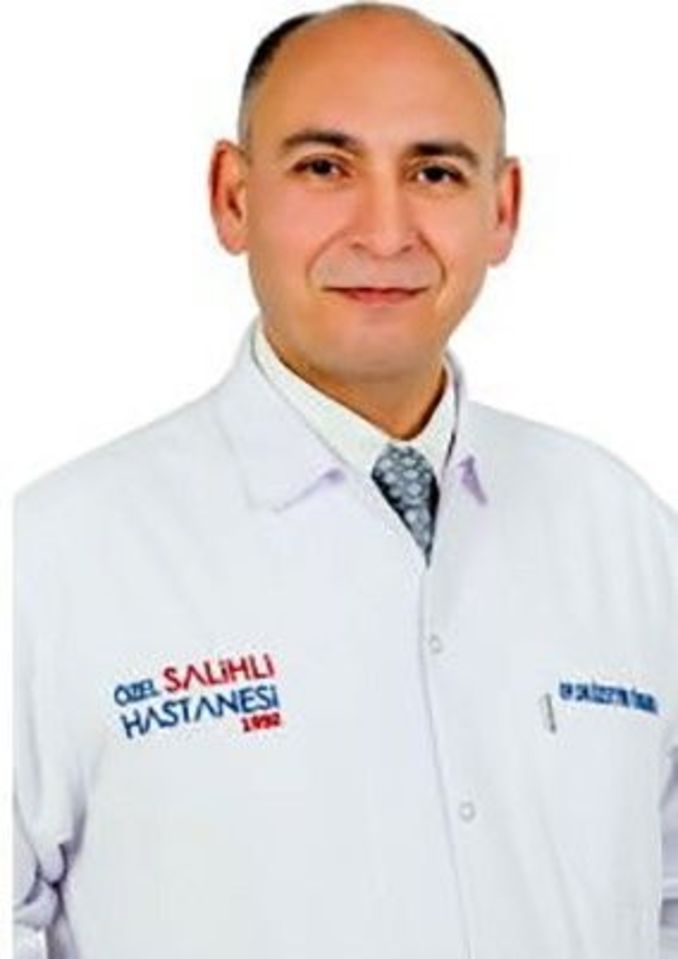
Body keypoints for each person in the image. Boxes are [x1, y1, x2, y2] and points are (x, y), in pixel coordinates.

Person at [12, 2, 678, 957]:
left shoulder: (623, 529)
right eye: (325, 167)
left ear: (503, 209)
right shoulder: (54, 557)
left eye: (435, 172)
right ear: (233, 197)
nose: (385, 231)